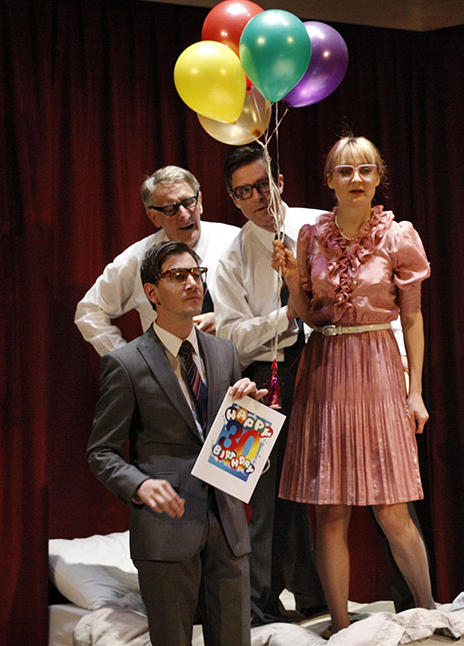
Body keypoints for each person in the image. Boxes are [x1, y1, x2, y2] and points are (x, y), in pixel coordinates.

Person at [271, 134, 436, 635]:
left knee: (392, 506)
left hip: (378, 367)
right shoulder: (310, 236)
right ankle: (340, 626)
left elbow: (412, 319)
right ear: (330, 181)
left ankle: (430, 611)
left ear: (378, 177)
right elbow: (306, 314)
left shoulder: (398, 236)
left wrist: (415, 390)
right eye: (345, 171)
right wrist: (293, 277)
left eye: (365, 169)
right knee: (330, 510)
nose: (356, 179)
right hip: (325, 369)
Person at [87, 240, 266, 646]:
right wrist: (139, 485)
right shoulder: (126, 363)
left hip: (227, 524)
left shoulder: (224, 352)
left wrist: (249, 417)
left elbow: (230, 447)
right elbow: (101, 452)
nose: (192, 283)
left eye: (197, 274)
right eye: (178, 275)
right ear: (152, 292)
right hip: (166, 527)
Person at [213, 145, 327, 624]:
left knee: (335, 486)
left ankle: (320, 597)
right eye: (245, 192)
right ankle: (258, 605)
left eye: (263, 185)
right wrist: (287, 316)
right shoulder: (231, 256)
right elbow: (230, 336)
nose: (258, 198)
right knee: (254, 491)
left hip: (329, 362)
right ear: (233, 199)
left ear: (280, 182)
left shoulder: (321, 226)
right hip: (260, 375)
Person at [75, 165, 238, 356]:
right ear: (153, 217)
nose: (184, 214)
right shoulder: (137, 259)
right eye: (171, 209)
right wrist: (129, 361)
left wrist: (225, 322)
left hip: (238, 366)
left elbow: (263, 306)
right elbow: (89, 311)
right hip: (169, 370)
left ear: (200, 201)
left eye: (189, 202)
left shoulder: (235, 242)